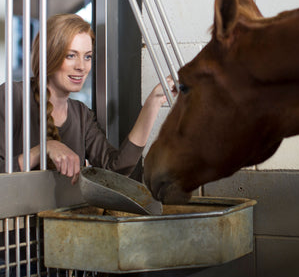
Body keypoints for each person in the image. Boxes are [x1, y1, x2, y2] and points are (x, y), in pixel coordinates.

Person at [0, 13, 175, 183]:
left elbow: (117, 170)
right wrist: (43, 150)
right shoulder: (12, 96)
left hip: (61, 213)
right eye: (71, 55)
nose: (81, 67)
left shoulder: (81, 114)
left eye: (87, 57)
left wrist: (153, 102)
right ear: (48, 57)